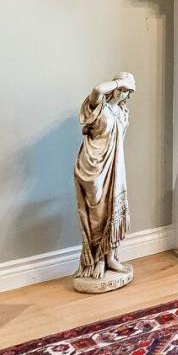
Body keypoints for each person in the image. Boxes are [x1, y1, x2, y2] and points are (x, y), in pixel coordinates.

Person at [74, 73, 136, 290]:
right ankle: (96, 258)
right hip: (92, 165)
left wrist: (125, 86)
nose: (125, 93)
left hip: (115, 165)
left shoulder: (121, 112)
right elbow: (98, 90)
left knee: (112, 207)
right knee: (96, 211)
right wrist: (121, 82)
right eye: (123, 89)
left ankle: (109, 257)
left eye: (129, 91)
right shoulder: (98, 106)